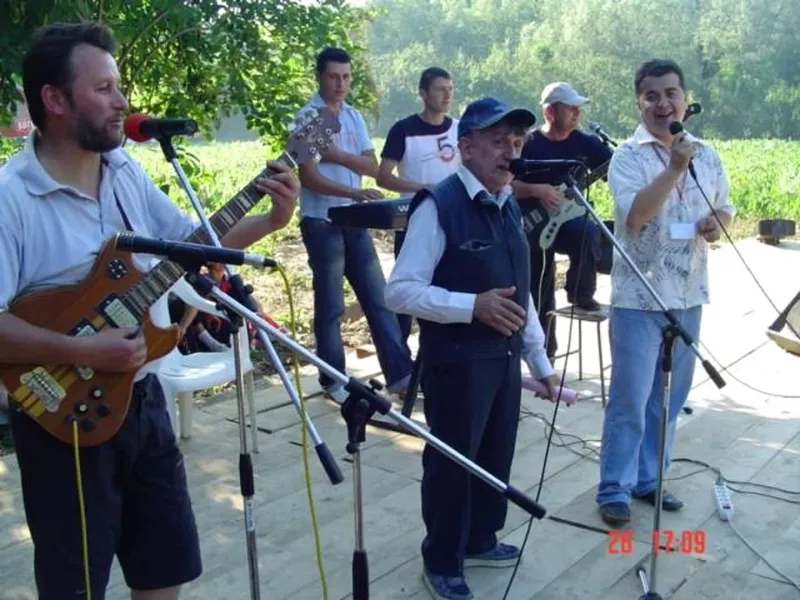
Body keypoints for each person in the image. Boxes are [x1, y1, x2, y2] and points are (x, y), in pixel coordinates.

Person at [0, 22, 300, 599]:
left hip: (144, 401)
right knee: (75, 585)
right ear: (55, 100)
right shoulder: (12, 199)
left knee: (165, 571)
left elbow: (188, 244)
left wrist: (268, 220)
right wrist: (80, 349)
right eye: (105, 89)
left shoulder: (125, 172)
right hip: (65, 424)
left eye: (121, 88)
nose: (123, 104)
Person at [386, 97, 560, 600]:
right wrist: (471, 306)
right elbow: (398, 290)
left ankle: (481, 539)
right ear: (465, 147)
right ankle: (441, 559)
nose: (511, 149)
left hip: (503, 362)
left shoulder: (508, 206)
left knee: (495, 454)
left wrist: (540, 363)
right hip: (456, 363)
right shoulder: (438, 206)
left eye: (517, 140)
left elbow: (520, 292)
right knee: (453, 464)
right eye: (498, 139)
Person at [596, 59, 735, 526]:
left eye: (671, 93)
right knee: (631, 398)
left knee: (670, 399)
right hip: (639, 297)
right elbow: (634, 218)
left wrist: (719, 222)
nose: (663, 103)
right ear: (639, 101)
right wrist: (674, 167)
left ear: (684, 96)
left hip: (690, 293)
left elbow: (725, 206)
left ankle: (649, 479)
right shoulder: (628, 157)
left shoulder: (707, 154)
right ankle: (612, 487)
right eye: (652, 95)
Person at [296, 46, 414, 401]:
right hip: (322, 219)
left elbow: (372, 166)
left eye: (346, 77)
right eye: (333, 76)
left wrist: (335, 154)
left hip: (355, 218)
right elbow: (309, 178)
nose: (340, 83)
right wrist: (353, 187)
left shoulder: (353, 117)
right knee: (330, 306)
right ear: (319, 76)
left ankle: (400, 376)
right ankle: (333, 380)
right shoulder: (308, 118)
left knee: (379, 299)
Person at [511, 82, 612, 361]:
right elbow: (506, 182)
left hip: (569, 221)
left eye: (578, 108)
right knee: (539, 285)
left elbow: (614, 170)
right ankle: (543, 353)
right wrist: (537, 190)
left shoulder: (585, 143)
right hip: (531, 222)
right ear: (550, 112)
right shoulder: (528, 143)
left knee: (589, 231)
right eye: (570, 108)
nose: (577, 113)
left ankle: (581, 292)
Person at [377, 67, 461, 342]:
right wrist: (422, 190)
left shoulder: (460, 130)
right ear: (423, 93)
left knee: (448, 288)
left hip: (454, 222)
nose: (447, 94)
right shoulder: (403, 130)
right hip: (414, 221)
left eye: (450, 88)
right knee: (408, 290)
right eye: (440, 89)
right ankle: (402, 364)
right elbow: (384, 177)